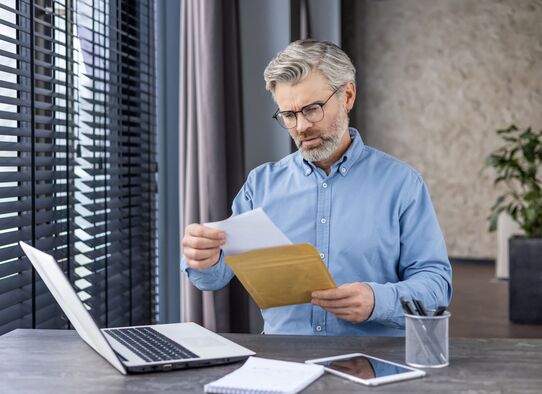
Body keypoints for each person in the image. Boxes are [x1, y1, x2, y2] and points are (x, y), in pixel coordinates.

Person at [180, 39, 452, 336]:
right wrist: (203, 259)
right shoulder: (260, 186)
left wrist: (377, 301)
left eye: (312, 109)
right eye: (288, 115)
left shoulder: (402, 185)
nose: (300, 127)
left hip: (371, 364)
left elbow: (437, 285)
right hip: (283, 364)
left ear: (347, 96)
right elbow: (215, 278)